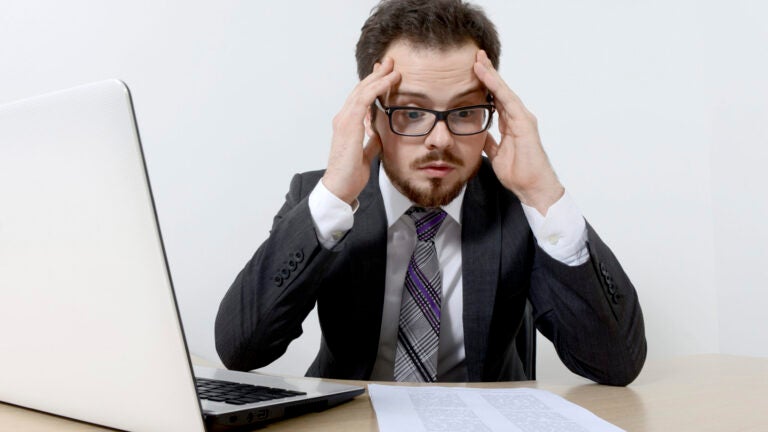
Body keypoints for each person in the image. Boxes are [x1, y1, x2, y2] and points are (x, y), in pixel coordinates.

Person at [215, 0, 646, 385]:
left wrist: (541, 192)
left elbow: (615, 364)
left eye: (464, 111)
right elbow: (241, 350)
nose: (439, 139)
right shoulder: (321, 199)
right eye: (411, 112)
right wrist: (334, 198)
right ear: (370, 114)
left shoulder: (517, 205)